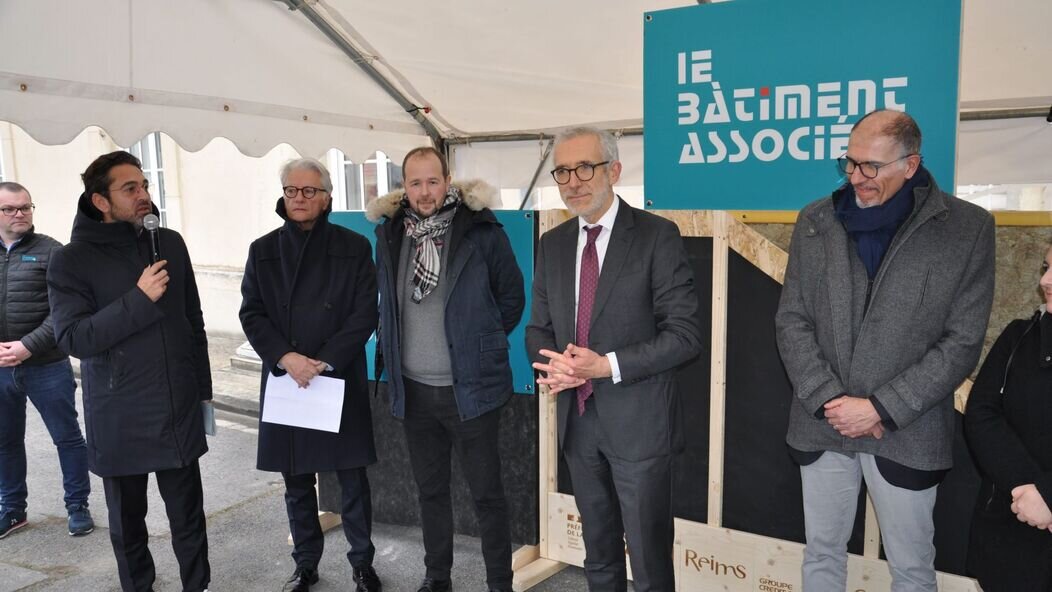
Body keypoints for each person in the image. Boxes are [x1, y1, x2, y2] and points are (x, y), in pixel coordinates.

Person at [775, 109, 995, 591]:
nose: (856, 177)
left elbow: (961, 342)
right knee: (822, 555)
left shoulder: (967, 228)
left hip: (908, 431)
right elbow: (792, 320)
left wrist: (880, 408)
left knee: (912, 568)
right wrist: (833, 402)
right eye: (849, 163)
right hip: (823, 423)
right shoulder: (816, 219)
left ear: (911, 166)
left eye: (871, 167)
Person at [525, 127, 702, 592]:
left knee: (648, 563)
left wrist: (605, 365)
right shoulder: (554, 243)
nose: (573, 181)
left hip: (642, 430)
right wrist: (552, 366)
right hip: (578, 425)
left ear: (615, 171)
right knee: (598, 556)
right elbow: (538, 329)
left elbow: (684, 336)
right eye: (562, 171)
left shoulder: (656, 236)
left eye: (585, 167)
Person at [46, 151, 213, 592]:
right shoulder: (71, 260)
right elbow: (73, 339)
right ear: (100, 201)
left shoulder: (170, 242)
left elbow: (192, 321)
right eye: (130, 189)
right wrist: (138, 299)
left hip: (176, 406)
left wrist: (203, 394)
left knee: (189, 520)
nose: (144, 195)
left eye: (144, 185)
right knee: (128, 524)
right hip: (119, 413)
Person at [368, 147, 524, 592]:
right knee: (430, 492)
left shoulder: (481, 231)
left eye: (432, 181)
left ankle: (499, 583)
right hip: (413, 393)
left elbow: (511, 299)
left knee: (488, 496)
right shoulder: (391, 235)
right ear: (404, 186)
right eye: (414, 183)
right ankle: (437, 577)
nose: (424, 192)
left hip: (470, 392)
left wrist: (479, 345)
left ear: (448, 179)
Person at [240, 158, 381, 592]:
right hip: (288, 380)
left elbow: (364, 315)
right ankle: (305, 564)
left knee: (352, 478)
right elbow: (252, 312)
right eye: (291, 191)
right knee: (297, 481)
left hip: (335, 376)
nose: (299, 199)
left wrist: (321, 362)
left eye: (308, 191)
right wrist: (287, 358)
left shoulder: (354, 247)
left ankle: (362, 563)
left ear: (326, 198)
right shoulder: (262, 250)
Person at [0, 182, 93, 540]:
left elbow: (65, 312)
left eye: (25, 207)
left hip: (47, 365)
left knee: (67, 438)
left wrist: (27, 346)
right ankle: (12, 510)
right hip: (2, 369)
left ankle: (77, 506)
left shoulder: (53, 252)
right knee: (6, 441)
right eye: (10, 209)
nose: (20, 214)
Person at [963, 245, 1052, 591]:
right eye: (1045, 267)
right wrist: (1027, 489)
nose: (1045, 280)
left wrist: (1048, 496)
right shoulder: (1018, 337)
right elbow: (982, 414)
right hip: (1011, 524)